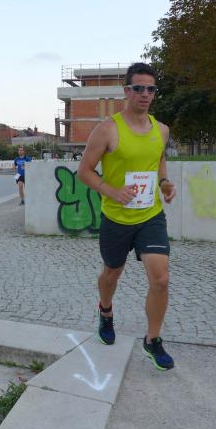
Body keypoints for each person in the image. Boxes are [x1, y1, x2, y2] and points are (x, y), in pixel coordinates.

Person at [78, 62, 177, 371]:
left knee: (161, 279)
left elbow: (158, 161)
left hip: (150, 216)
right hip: (116, 218)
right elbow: (84, 171)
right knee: (111, 274)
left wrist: (164, 183)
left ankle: (153, 339)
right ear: (126, 91)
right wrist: (111, 191)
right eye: (139, 88)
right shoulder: (107, 129)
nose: (145, 94)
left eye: (151, 89)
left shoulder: (161, 130)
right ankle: (106, 311)